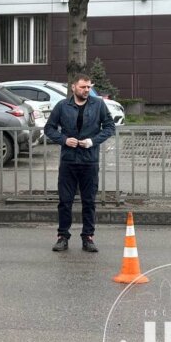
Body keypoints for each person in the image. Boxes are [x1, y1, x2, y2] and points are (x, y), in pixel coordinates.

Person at [43, 73, 115, 253]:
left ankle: (88, 237)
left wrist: (93, 141)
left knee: (89, 201)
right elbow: (49, 128)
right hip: (68, 161)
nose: (87, 90)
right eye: (83, 87)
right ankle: (62, 236)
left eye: (89, 87)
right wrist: (64, 140)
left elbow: (109, 127)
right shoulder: (62, 106)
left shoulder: (98, 104)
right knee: (65, 201)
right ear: (74, 87)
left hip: (89, 160)